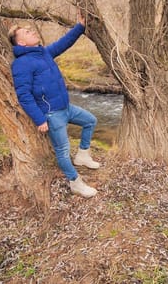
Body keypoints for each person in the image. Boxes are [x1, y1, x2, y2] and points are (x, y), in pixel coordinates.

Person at [9, 12, 100, 198]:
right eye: (26, 32)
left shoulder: (43, 53)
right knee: (63, 151)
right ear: (21, 43)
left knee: (90, 120)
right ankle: (75, 182)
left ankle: (83, 155)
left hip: (66, 108)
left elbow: (63, 43)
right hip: (51, 114)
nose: (32, 31)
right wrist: (39, 118)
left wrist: (80, 27)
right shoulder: (21, 64)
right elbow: (24, 95)